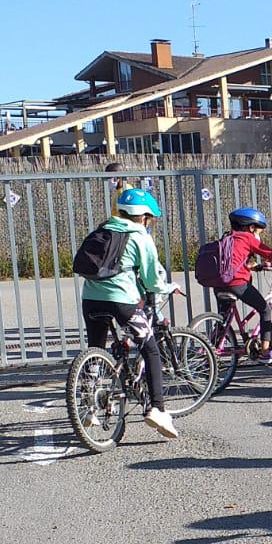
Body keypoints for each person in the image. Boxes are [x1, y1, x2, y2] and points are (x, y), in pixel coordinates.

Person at [81, 188, 181, 439]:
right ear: (145, 217)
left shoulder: (102, 229)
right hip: (122, 301)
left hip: (90, 298)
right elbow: (151, 281)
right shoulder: (140, 237)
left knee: (95, 351)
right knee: (150, 348)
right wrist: (170, 287)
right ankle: (158, 409)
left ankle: (88, 408)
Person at [210, 207, 272, 365]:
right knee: (265, 309)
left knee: (223, 318)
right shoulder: (246, 237)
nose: (259, 235)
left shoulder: (227, 238)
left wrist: (255, 267)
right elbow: (271, 253)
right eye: (259, 231)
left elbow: (236, 261)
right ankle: (266, 352)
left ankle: (210, 353)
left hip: (218, 283)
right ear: (251, 227)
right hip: (236, 283)